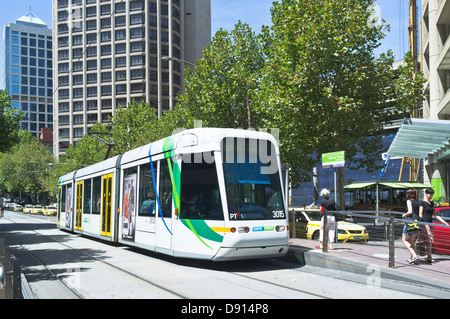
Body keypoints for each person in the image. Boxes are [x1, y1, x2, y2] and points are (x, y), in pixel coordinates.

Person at [419, 188, 449, 263]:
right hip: (425, 223)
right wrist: (422, 224)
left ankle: (429, 256)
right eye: (430, 194)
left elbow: (435, 215)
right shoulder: (422, 203)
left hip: (430, 223)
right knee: (429, 239)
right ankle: (429, 256)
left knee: (429, 240)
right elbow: (420, 214)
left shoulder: (432, 203)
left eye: (432, 194)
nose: (431, 196)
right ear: (426, 193)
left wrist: (444, 222)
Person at [401, 189, 420, 264]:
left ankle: (415, 256)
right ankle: (412, 258)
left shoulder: (409, 201)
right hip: (416, 223)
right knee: (412, 241)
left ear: (408, 195)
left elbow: (410, 211)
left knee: (404, 240)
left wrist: (404, 214)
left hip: (409, 224)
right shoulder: (418, 202)